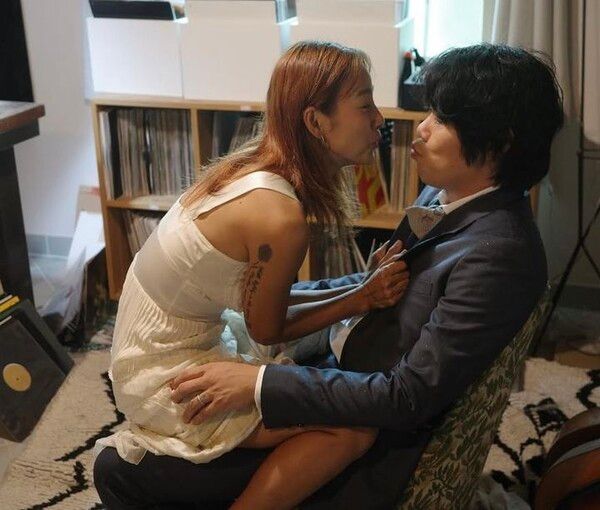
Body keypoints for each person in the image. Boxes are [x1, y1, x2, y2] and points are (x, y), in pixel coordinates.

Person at [94, 43, 564, 509]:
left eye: (442, 119)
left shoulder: (501, 255)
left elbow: (409, 397)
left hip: (369, 427)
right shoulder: (444, 193)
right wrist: (347, 297)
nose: (420, 127)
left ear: (499, 143)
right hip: (337, 368)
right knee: (127, 460)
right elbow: (369, 290)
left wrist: (256, 383)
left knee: (122, 472)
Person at [94, 40, 412, 510]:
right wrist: (360, 298)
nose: (379, 119)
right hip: (164, 375)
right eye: (365, 106)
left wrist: (358, 290)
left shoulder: (253, 167)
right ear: (315, 122)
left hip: (152, 348)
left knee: (313, 378)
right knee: (352, 429)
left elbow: (266, 308)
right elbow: (268, 329)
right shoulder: (279, 218)